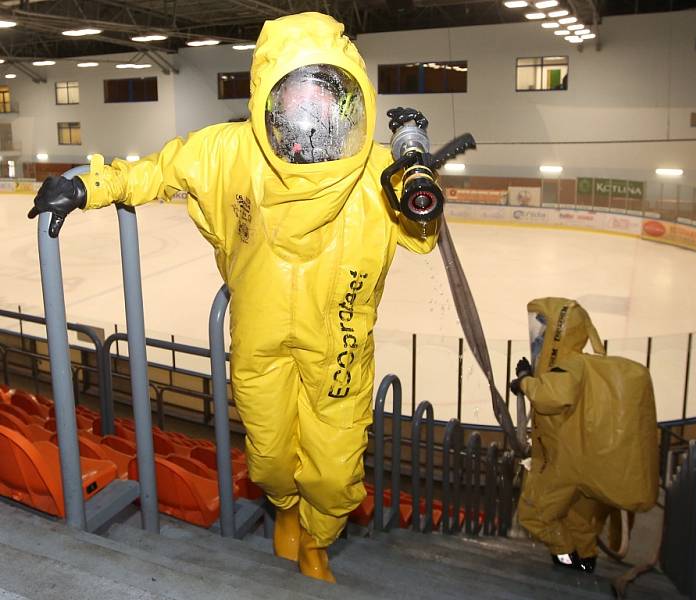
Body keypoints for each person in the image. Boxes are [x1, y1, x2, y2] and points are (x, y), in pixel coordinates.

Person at [27, 12, 439, 583]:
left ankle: (318, 538)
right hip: (259, 337)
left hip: (339, 346)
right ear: (269, 98)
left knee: (333, 475)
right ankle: (286, 508)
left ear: (350, 101)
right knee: (269, 461)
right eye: (295, 102)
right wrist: (87, 185)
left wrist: (420, 190)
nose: (309, 122)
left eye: (323, 104)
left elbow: (422, 236)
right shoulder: (227, 153)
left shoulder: (380, 172)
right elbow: (154, 172)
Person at [509, 298, 658, 573]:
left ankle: (565, 558)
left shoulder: (568, 367)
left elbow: (551, 397)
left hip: (564, 463)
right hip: (589, 468)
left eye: (543, 329)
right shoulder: (585, 365)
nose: (538, 336)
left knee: (536, 515)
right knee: (581, 521)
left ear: (557, 334)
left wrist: (523, 380)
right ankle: (586, 563)